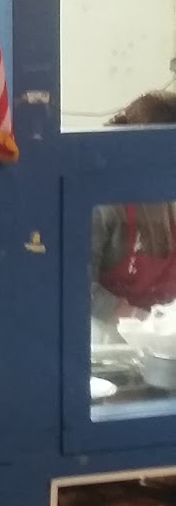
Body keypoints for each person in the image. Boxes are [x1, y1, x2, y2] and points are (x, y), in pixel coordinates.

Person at [92, 90, 176, 334]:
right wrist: (144, 323)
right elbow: (79, 287)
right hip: (108, 341)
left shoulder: (168, 196)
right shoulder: (104, 204)